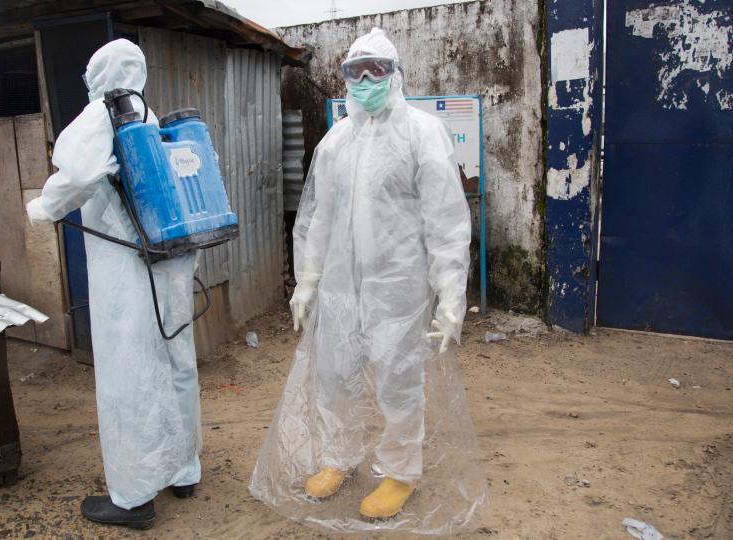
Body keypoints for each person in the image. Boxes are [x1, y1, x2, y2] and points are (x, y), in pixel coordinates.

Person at [249, 28, 485, 534]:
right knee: (335, 377)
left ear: (394, 73)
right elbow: (315, 218)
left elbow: (445, 220)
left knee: (398, 381)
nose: (364, 80)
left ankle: (401, 470)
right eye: (355, 72)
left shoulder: (422, 133)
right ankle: (340, 455)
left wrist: (450, 294)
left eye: (375, 70)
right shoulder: (337, 140)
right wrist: (307, 282)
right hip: (339, 287)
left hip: (398, 286)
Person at [26, 39, 201, 530]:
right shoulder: (147, 113)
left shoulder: (101, 113)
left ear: (98, 75)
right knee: (175, 362)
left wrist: (46, 207)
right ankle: (184, 470)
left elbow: (79, 170)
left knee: (130, 373)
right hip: (168, 262)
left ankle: (133, 496)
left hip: (127, 267)